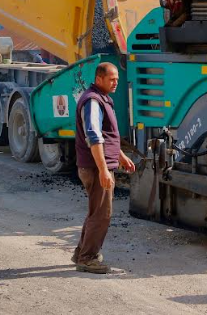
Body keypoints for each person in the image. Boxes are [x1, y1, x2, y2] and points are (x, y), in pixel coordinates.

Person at [73, 62, 135, 273]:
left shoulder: (101, 98)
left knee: (96, 211)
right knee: (101, 214)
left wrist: (121, 156)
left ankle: (80, 252)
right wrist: (103, 170)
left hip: (98, 165)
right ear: (99, 79)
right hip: (94, 167)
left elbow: (106, 137)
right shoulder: (92, 102)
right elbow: (94, 137)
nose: (116, 82)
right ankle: (87, 258)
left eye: (117, 79)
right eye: (111, 79)